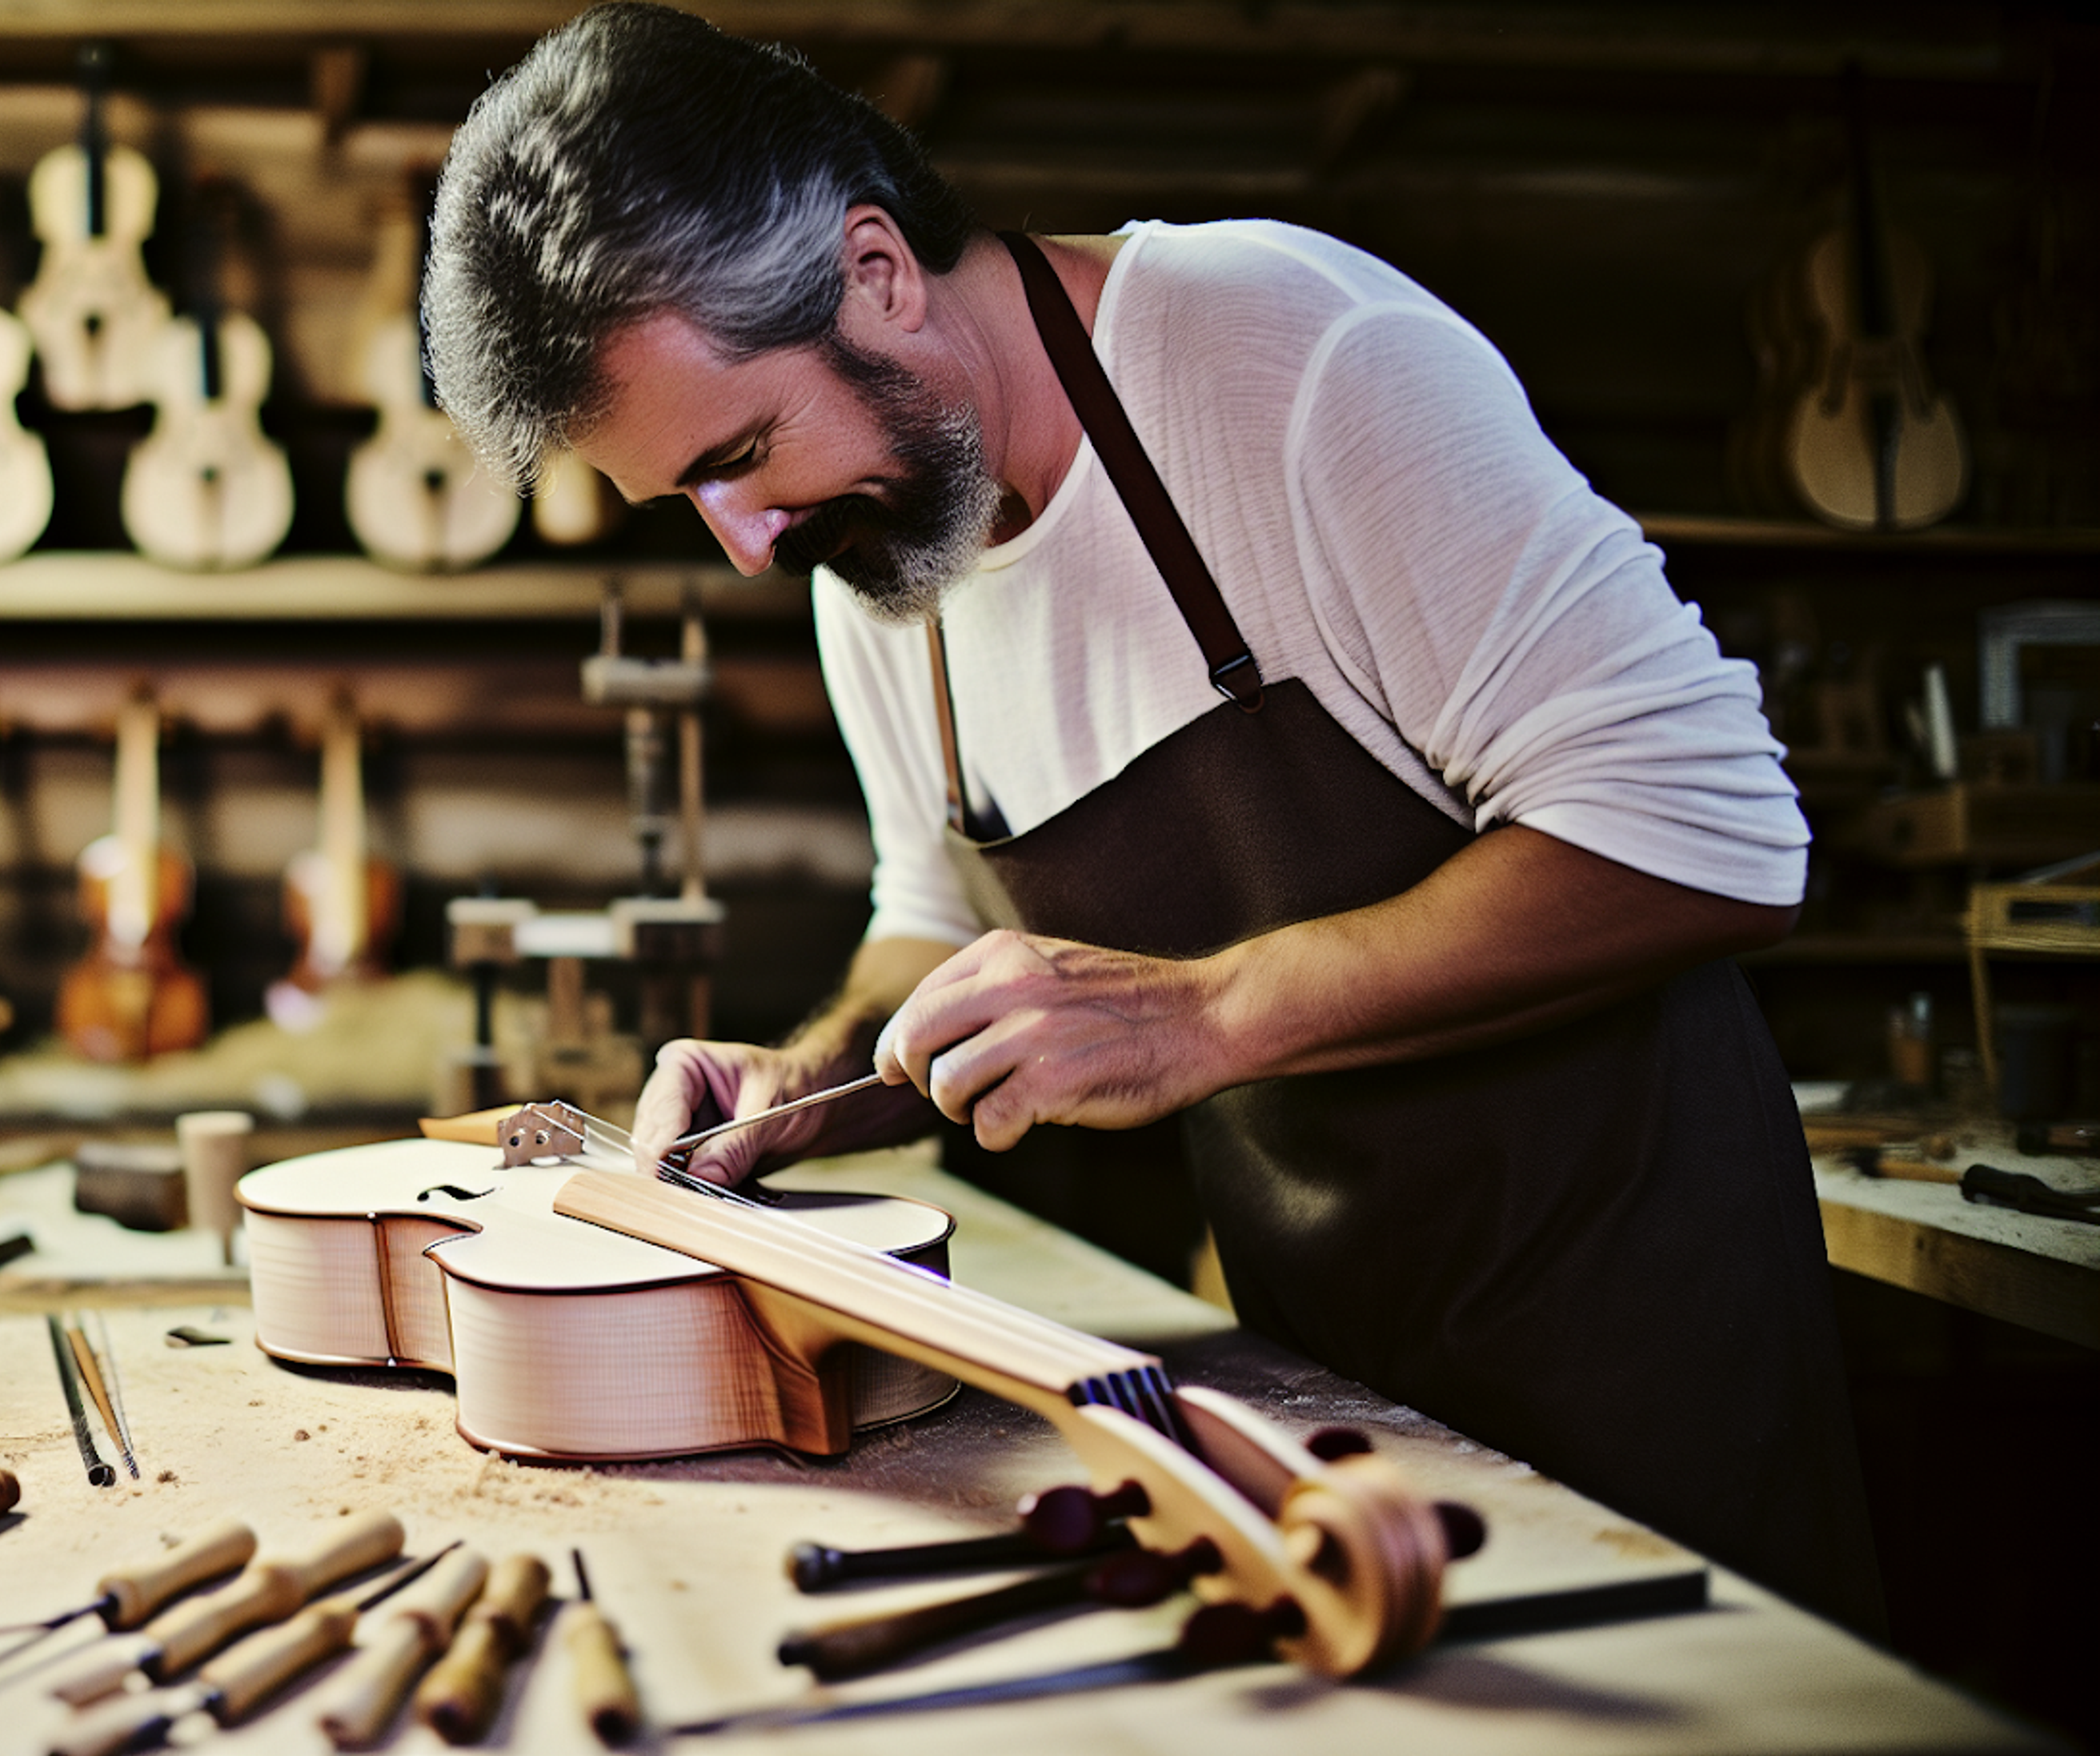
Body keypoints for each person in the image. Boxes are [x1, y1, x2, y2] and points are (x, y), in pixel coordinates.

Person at [422, 2, 1882, 1629]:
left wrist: (1208, 1011)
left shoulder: (1290, 359)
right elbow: (938, 916)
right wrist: (824, 1070)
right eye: (690, 497)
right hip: (1327, 1376)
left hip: (1644, 1338)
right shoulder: (875, 547)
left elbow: (1716, 836)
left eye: (742, 454)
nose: (746, 543)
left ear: (879, 271)